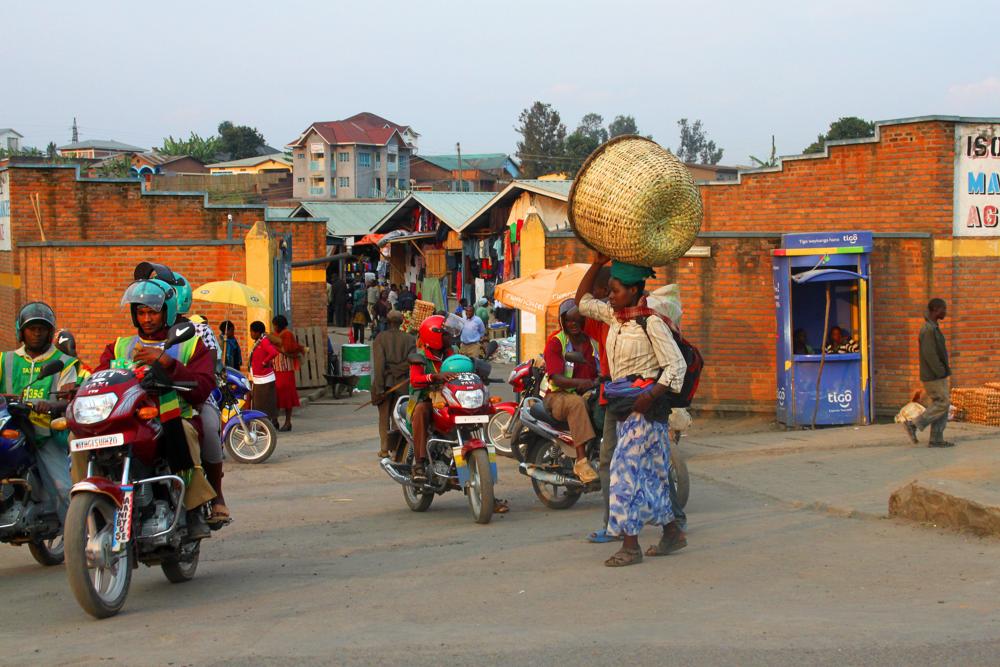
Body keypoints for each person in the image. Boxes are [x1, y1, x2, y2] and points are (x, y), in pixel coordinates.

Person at [577, 253, 688, 567]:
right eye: (610, 290)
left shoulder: (650, 322)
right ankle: (672, 533)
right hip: (626, 407)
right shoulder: (615, 318)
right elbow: (582, 301)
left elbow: (675, 367)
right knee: (652, 477)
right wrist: (597, 264)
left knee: (622, 474)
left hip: (644, 410)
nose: (610, 296)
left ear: (636, 291)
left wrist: (650, 395)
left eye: (616, 290)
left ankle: (630, 545)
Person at [95, 279, 218, 538]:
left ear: (167, 313)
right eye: (141, 312)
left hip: (172, 415)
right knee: (81, 440)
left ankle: (194, 508)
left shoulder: (189, 345)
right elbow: (99, 377)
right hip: (126, 419)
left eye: (153, 312)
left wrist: (164, 361)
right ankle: (87, 499)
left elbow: (203, 386)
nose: (147, 319)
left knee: (183, 432)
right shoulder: (119, 346)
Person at [0, 302, 79, 528]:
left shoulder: (63, 363)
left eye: (42, 328)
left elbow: (68, 398)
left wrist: (51, 405)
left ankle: (78, 540)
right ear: (21, 331)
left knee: (64, 489)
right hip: (10, 430)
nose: (36, 332)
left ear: (50, 332)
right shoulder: (6, 360)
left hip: (45, 434)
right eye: (31, 328)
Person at [543, 300, 600, 483]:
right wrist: (581, 383)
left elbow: (601, 369)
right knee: (577, 403)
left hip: (587, 392)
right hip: (558, 396)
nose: (573, 324)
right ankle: (581, 461)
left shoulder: (592, 343)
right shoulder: (556, 342)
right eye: (569, 320)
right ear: (562, 321)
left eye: (577, 320)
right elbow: (556, 378)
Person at [408, 314, 459, 485]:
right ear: (434, 336)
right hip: (428, 402)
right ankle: (419, 464)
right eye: (445, 334)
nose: (450, 336)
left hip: (453, 401)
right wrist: (434, 377)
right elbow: (415, 380)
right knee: (421, 411)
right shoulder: (420, 357)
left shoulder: (453, 353)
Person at [903, 298, 953, 447]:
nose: (945, 312)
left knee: (942, 403)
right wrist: (940, 371)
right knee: (943, 403)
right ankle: (914, 424)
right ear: (936, 310)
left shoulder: (933, 327)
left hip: (938, 374)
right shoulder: (928, 330)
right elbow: (929, 354)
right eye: (943, 309)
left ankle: (936, 439)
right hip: (933, 375)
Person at [371, 310, 415, 458]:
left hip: (385, 382)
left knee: (383, 418)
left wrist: (379, 387)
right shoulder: (410, 339)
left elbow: (379, 365)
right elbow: (412, 362)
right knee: (398, 418)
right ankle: (397, 449)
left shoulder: (380, 338)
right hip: (402, 383)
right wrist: (399, 371)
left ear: (388, 322)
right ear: (402, 322)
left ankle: (384, 449)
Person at [269, 315, 303, 432]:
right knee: (275, 397)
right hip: (275, 370)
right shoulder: (274, 336)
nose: (273, 327)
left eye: (275, 325)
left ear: (279, 325)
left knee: (287, 397)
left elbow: (288, 349)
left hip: (285, 370)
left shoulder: (287, 334)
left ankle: (288, 422)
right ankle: (274, 420)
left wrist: (275, 346)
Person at [248, 321, 279, 426]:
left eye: (252, 331)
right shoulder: (258, 341)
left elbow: (273, 352)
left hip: (264, 378)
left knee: (263, 404)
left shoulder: (264, 341)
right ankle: (265, 424)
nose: (251, 334)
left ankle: (265, 425)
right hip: (258, 378)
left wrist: (264, 362)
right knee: (260, 403)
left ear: (257, 332)